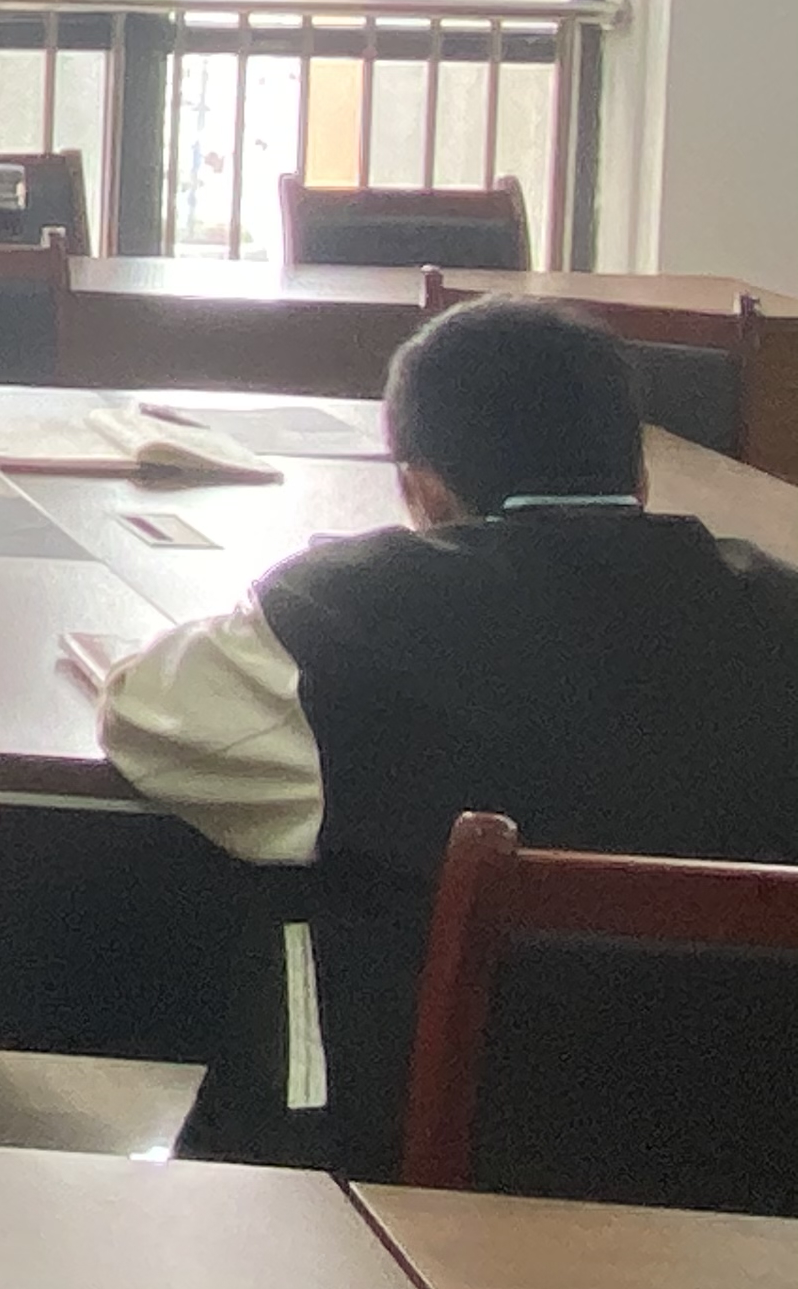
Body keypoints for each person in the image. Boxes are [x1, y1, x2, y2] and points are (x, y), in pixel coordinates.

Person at [100, 295, 798, 1181]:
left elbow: (146, 716)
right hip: (752, 1168)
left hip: (413, 1168)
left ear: (422, 493)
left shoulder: (347, 618)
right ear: (640, 476)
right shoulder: (779, 612)